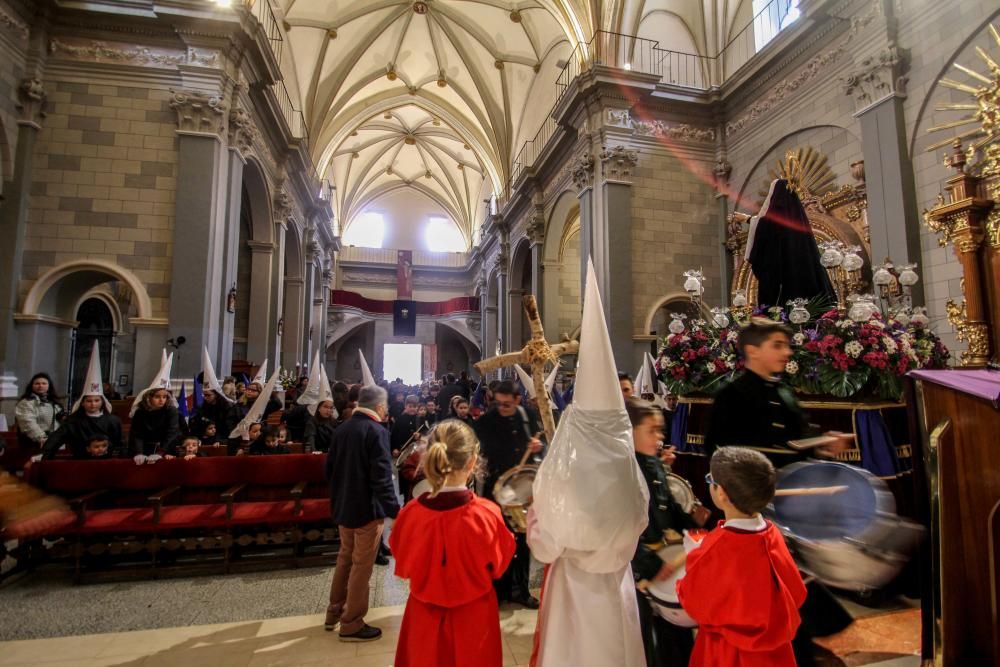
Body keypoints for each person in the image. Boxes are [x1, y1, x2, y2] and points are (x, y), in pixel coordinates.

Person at [703, 318, 854, 665]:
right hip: (757, 507)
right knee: (774, 587)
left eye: (787, 345)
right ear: (752, 351)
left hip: (792, 503)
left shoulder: (782, 390)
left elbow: (794, 441)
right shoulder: (732, 396)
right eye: (777, 345)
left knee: (789, 583)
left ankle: (798, 646)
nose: (787, 352)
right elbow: (720, 452)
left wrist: (822, 445)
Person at [527, 261, 650, 667]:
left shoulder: (563, 465)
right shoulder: (626, 462)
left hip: (573, 590)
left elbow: (545, 545)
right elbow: (639, 519)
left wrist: (535, 525)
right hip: (617, 585)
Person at [390, 420, 515, 667]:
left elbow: (403, 567)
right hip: (474, 618)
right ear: (472, 462)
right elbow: (499, 566)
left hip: (424, 616)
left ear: (428, 460)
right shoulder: (487, 514)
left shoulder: (409, 515)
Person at [677, 447, 807, 666]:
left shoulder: (719, 545)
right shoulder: (772, 533)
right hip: (774, 652)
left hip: (727, 652)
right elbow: (796, 591)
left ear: (722, 494)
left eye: (711, 480)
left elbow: (693, 602)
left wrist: (693, 558)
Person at [324, 385, 400, 641]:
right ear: (379, 407)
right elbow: (381, 477)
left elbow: (329, 469)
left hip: (344, 505)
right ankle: (352, 622)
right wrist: (394, 510)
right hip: (367, 509)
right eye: (385, 406)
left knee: (345, 558)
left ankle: (334, 612)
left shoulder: (342, 428)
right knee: (361, 565)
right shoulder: (375, 430)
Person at [626, 398, 695, 666]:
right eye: (651, 430)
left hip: (663, 559)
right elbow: (625, 529)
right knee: (647, 642)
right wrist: (651, 566)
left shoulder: (653, 463)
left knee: (676, 641)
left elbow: (670, 507)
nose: (659, 437)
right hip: (640, 569)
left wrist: (693, 527)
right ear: (629, 431)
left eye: (661, 430)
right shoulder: (625, 471)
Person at [474, 380, 543, 609]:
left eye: (506, 404)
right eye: (498, 403)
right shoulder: (486, 421)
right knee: (499, 539)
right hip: (498, 489)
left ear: (517, 400)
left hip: (523, 489)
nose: (501, 408)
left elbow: (539, 439)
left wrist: (536, 445)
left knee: (523, 540)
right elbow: (482, 451)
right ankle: (499, 589)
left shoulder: (529, 416)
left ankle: (520, 589)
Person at [737, 178, 835, 307]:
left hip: (786, 277)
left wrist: (748, 219)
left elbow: (766, 228)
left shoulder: (774, 220)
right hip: (807, 273)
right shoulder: (798, 218)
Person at [44, 394, 123, 460]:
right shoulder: (72, 421)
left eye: (97, 400)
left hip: (106, 462)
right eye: (89, 401)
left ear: (102, 402)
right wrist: (44, 454)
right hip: (80, 462)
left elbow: (120, 442)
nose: (93, 404)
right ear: (82, 403)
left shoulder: (113, 420)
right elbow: (57, 438)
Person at [14, 373, 64, 451]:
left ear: (49, 385)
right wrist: (41, 438)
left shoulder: (54, 402)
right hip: (34, 442)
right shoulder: (26, 402)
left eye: (44, 383)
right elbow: (28, 423)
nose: (40, 386)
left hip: (54, 441)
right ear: (32, 386)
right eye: (37, 383)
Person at [129, 388, 180, 459]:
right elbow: (137, 434)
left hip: (165, 450)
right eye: (157, 397)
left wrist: (160, 452)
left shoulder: (171, 411)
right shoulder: (140, 412)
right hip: (145, 449)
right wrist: (138, 453)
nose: (161, 400)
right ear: (148, 397)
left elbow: (172, 433)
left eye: (164, 397)